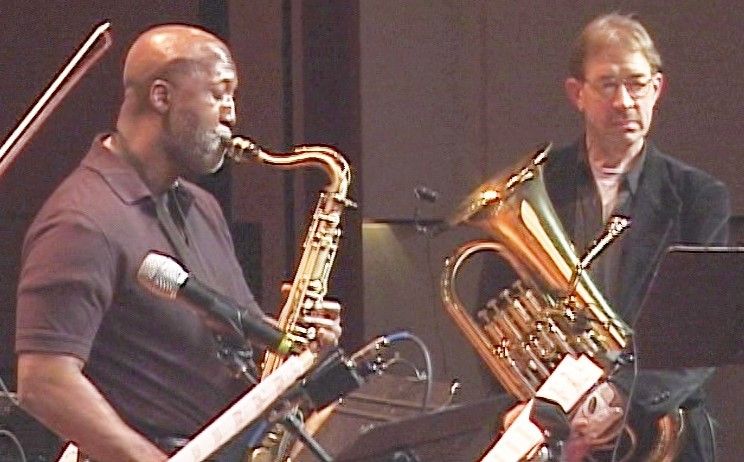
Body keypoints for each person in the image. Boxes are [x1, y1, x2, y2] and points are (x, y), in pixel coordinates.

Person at [15, 24, 340, 462]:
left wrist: (291, 340)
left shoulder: (201, 206)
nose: (231, 115)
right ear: (161, 97)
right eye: (219, 94)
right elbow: (44, 380)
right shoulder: (82, 220)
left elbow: (223, 339)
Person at [479, 13, 729, 461]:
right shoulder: (536, 187)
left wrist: (623, 395)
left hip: (662, 436)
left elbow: (702, 338)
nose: (624, 101)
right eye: (608, 85)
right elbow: (492, 317)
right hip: (551, 434)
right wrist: (517, 405)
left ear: (657, 89)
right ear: (577, 93)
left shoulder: (700, 198)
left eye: (637, 84)